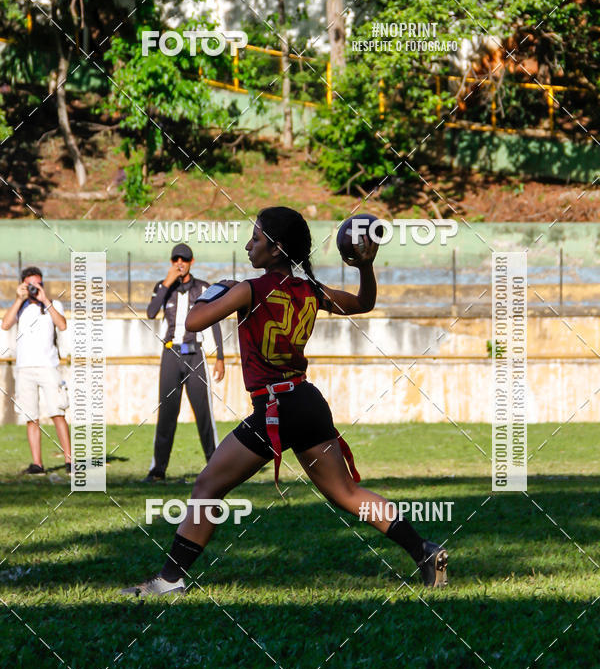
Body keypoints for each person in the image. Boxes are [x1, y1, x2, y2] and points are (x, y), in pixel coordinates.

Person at [123, 207, 448, 595]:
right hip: (307, 401)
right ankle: (424, 550)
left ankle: (169, 582)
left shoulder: (249, 288)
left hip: (276, 408)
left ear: (276, 249)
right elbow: (363, 303)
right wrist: (365, 265)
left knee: (208, 485)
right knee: (347, 494)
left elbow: (193, 323)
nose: (248, 245)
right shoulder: (309, 289)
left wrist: (217, 290)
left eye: (256, 239)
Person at [145, 243, 225, 482]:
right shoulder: (162, 287)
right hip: (171, 354)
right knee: (167, 412)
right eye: (175, 259)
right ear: (171, 262)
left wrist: (220, 357)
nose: (180, 263)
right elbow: (150, 312)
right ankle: (158, 469)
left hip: (195, 355)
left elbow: (216, 321)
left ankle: (216, 466)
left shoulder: (203, 287)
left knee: (203, 413)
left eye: (185, 259)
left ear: (192, 262)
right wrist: (167, 283)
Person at [1, 266, 71, 474]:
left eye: (39, 284)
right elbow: (5, 324)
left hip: (48, 366)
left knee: (57, 413)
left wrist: (45, 300)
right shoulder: (20, 306)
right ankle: (37, 463)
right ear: (23, 284)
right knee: (31, 417)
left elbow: (63, 325)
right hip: (25, 368)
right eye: (31, 285)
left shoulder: (52, 304)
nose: (35, 288)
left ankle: (69, 461)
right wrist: (18, 298)